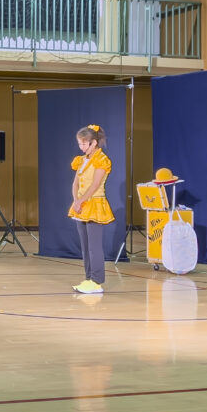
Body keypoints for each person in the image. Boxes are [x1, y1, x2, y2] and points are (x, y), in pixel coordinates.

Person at [69, 124, 114, 295]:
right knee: (85, 245)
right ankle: (88, 278)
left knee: (95, 246)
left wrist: (81, 200)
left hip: (94, 204)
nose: (81, 147)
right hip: (81, 205)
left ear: (94, 143)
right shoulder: (81, 160)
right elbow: (75, 183)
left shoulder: (101, 160)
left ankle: (97, 281)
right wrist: (76, 201)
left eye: (84, 143)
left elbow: (95, 185)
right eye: (79, 143)